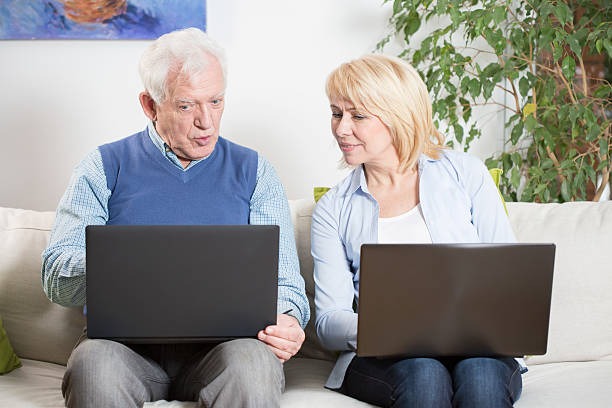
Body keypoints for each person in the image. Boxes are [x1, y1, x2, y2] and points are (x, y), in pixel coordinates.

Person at [41, 27, 309, 408]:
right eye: (187, 106)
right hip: (124, 352)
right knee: (93, 366)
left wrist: (289, 319)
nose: (207, 122)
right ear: (150, 105)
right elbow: (56, 281)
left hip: (225, 352)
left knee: (253, 365)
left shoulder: (256, 172)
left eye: (216, 101)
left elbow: (286, 282)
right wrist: (122, 261)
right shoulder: (102, 167)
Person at [311, 54, 524, 407]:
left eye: (357, 116)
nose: (341, 128)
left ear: (398, 116)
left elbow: (509, 281)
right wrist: (397, 328)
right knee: (424, 372)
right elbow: (329, 323)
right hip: (384, 358)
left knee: (481, 376)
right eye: (336, 113)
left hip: (477, 350)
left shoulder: (465, 174)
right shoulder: (333, 209)